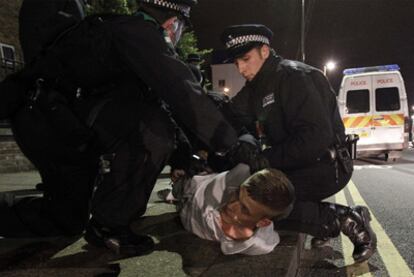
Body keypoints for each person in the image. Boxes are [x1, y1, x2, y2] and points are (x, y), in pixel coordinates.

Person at [0, 0, 265, 256]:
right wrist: (232, 145)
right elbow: (181, 93)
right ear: (173, 23)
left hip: (59, 125)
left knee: (65, 219)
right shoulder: (137, 33)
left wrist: (184, 156)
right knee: (152, 130)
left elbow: (161, 105)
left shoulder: (124, 37)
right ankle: (110, 224)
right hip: (50, 123)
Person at [220, 24, 377, 263]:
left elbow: (315, 139)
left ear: (264, 50)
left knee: (263, 202)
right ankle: (323, 219)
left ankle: (346, 220)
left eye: (245, 59)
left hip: (327, 165)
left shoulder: (295, 77)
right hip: (297, 164)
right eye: (236, 63)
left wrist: (265, 159)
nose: (241, 69)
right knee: (250, 192)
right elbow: (234, 117)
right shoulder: (257, 85)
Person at [160, 163, 295, 255]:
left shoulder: (258, 244)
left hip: (183, 210)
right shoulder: (239, 175)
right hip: (192, 185)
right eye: (236, 193)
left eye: (244, 209)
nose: (231, 206)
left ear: (263, 222)